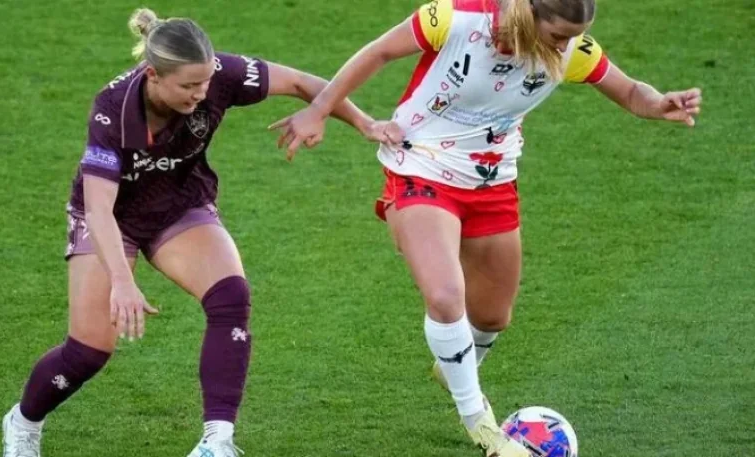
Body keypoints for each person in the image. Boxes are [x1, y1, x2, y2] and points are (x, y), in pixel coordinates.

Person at [270, 0, 702, 455]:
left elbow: (631, 91)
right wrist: (319, 109)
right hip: (419, 166)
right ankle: (481, 424)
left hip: (492, 182)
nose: (567, 45)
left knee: (493, 316)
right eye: (558, 35)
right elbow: (378, 52)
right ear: (529, 15)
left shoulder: (570, 50)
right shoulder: (454, 18)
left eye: (575, 36)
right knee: (444, 295)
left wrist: (658, 103)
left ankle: (456, 363)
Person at [0, 8, 385, 457]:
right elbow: (100, 208)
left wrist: (357, 122)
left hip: (178, 206)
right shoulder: (112, 110)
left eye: (204, 84)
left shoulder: (219, 75)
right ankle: (23, 422)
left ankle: (216, 443)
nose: (200, 94)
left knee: (231, 298)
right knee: (88, 351)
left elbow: (302, 82)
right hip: (110, 219)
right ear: (153, 76)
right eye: (187, 86)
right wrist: (123, 282)